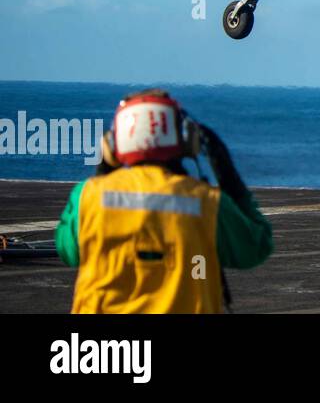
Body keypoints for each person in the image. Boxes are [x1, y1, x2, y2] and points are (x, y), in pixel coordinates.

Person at [54, 89, 273, 313]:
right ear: (186, 139)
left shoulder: (89, 196)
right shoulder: (207, 202)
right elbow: (255, 248)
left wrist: (102, 174)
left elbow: (67, 250)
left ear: (112, 144)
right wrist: (229, 178)